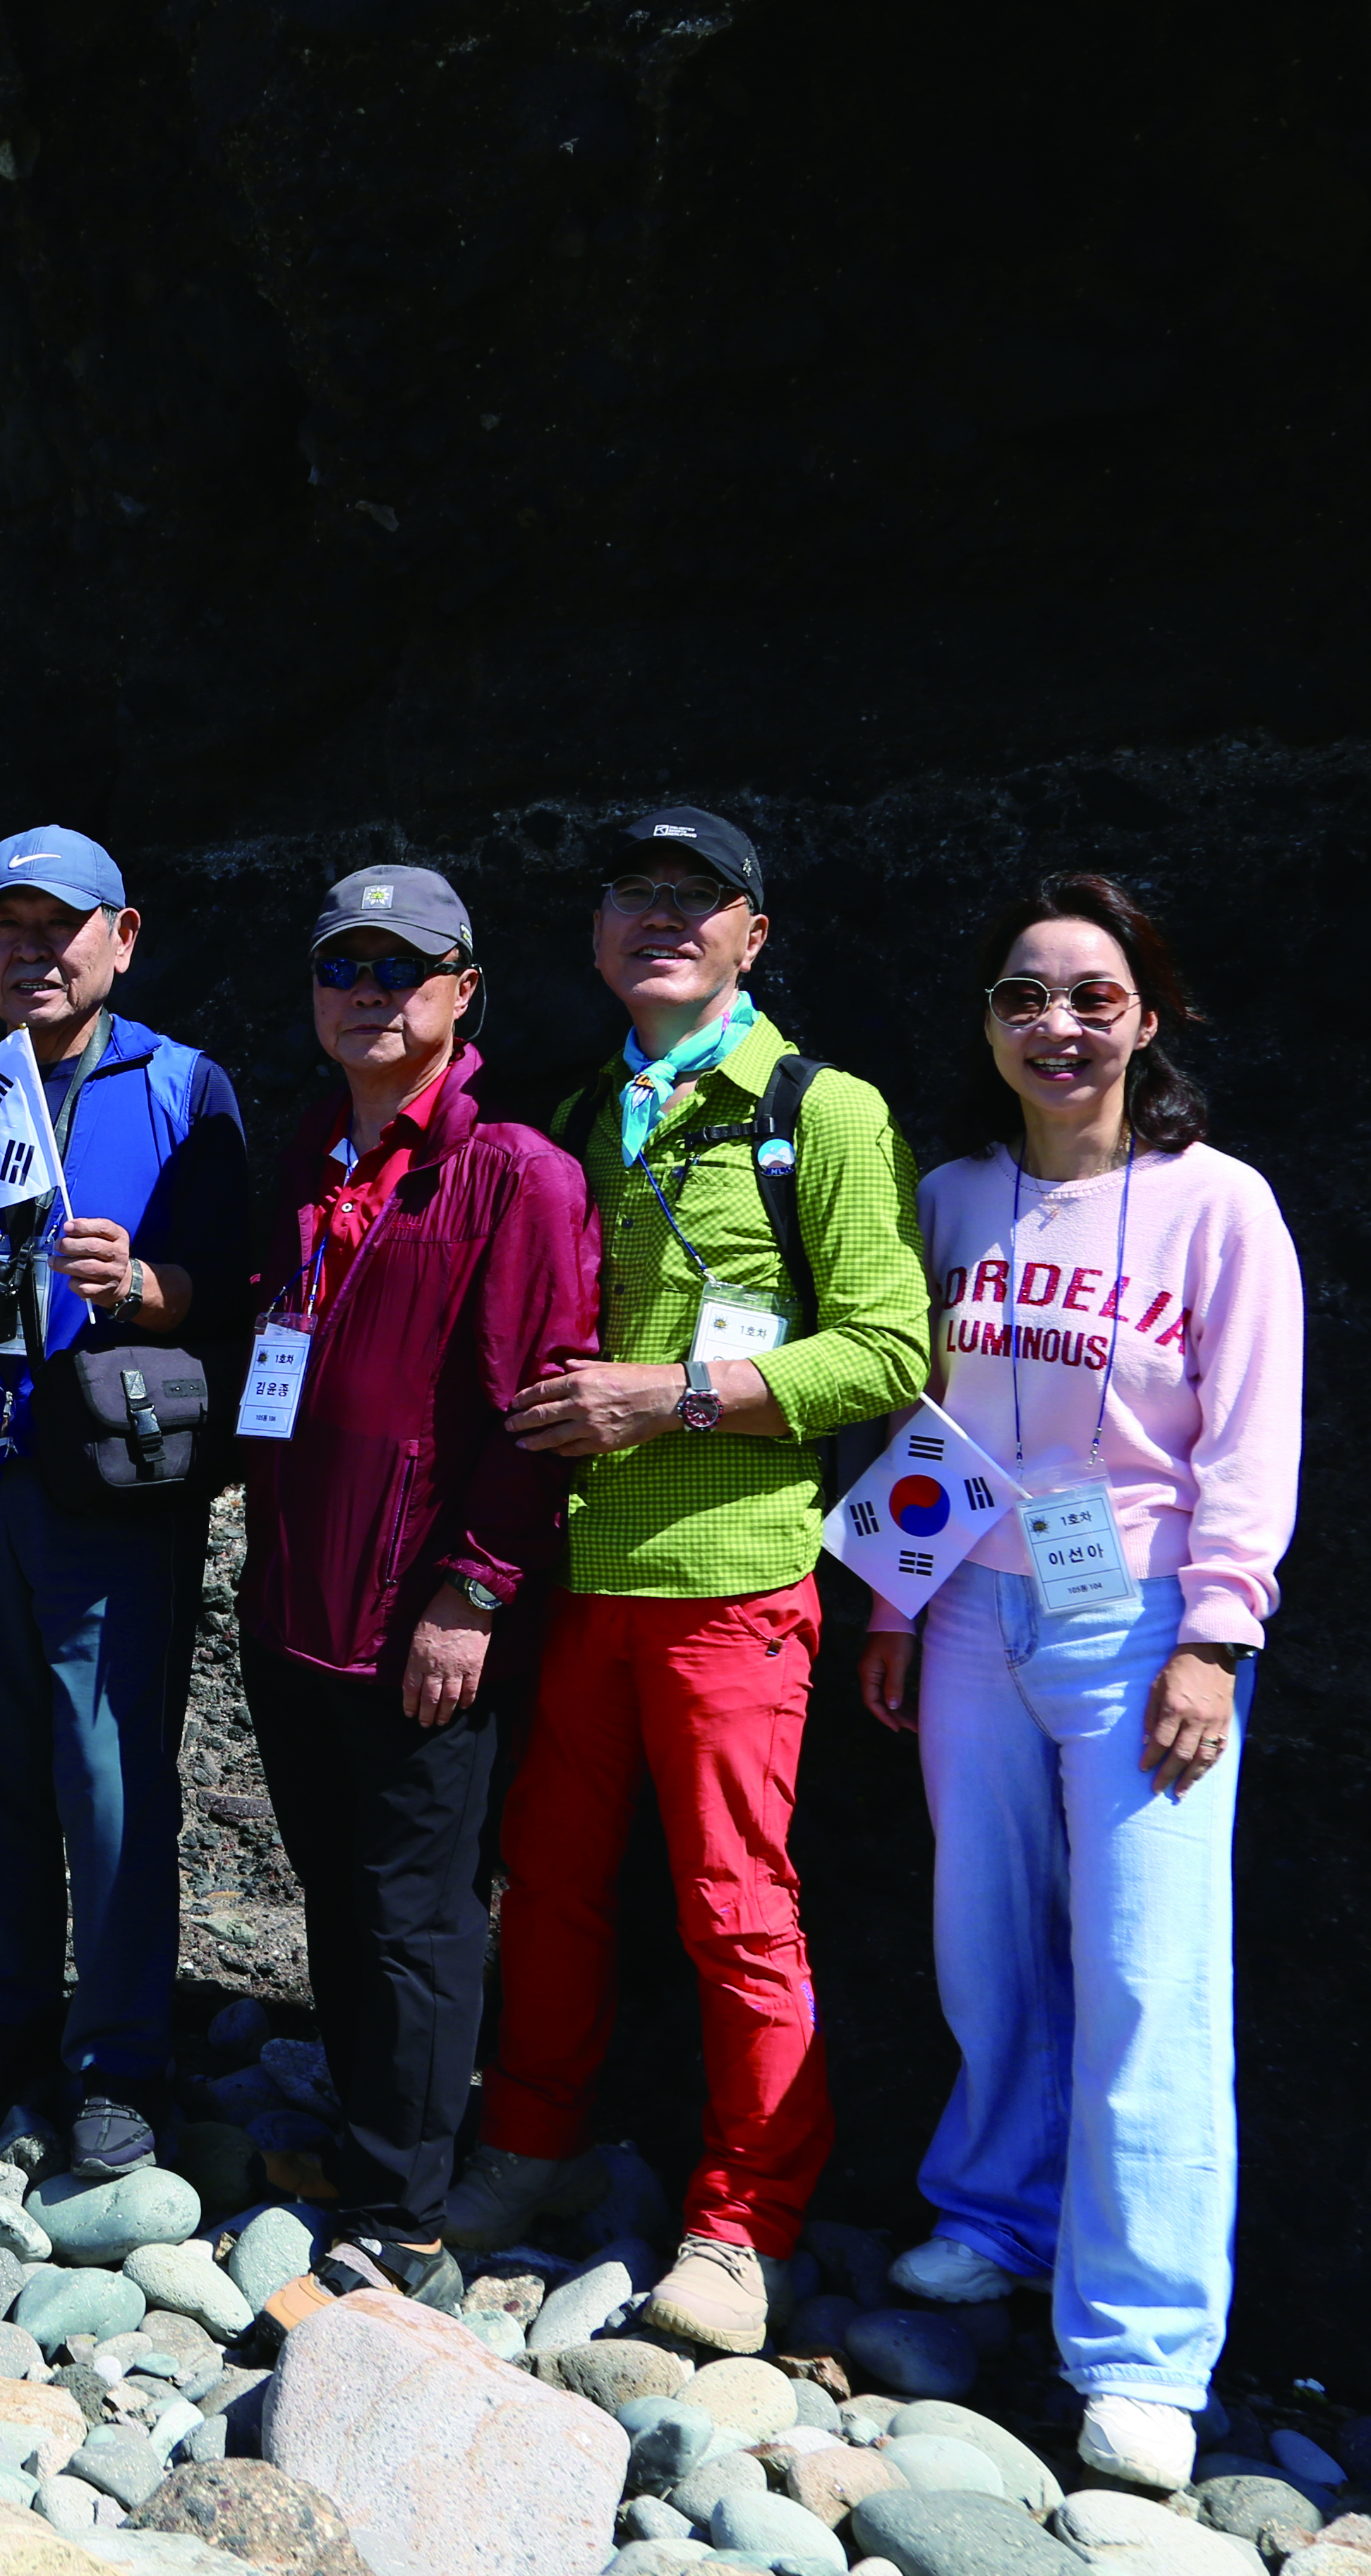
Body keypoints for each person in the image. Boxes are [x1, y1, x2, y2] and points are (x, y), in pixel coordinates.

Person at [459, 806, 926, 2354]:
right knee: (549, 1885)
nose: (665, 917)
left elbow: (888, 1347)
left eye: (700, 896)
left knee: (737, 1906)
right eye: (635, 894)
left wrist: (670, 1397)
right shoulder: (590, 1107)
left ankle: (744, 2224)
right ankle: (530, 2145)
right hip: (583, 1571)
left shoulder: (824, 1112)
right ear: (594, 936)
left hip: (736, 1578)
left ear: (754, 934)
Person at [852, 876, 1297, 2491]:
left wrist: (1213, 1633)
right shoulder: (954, 1195)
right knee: (980, 1940)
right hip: (972, 1609)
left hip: (1139, 1635)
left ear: (1145, 1017)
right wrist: (895, 1599)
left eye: (1089, 997)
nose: (1055, 1025)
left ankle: (1139, 2352)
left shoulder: (1213, 1205)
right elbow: (927, 1414)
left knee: (1143, 1978)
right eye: (1022, 996)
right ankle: (993, 2209)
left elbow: (1251, 1433)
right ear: (982, 1023)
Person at [237, 868, 597, 2304]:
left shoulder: (515, 1172)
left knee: (419, 1909)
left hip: (418, 1619)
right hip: (292, 1605)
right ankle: (363, 2132)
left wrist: (477, 1591)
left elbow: (536, 1407)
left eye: (402, 970)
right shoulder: (318, 1148)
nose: (370, 995)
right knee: (337, 1889)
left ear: (462, 990)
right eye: (345, 969)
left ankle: (409, 2209)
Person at [0, 827, 248, 2177]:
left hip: (116, 1478)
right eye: (9, 929)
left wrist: (146, 1287)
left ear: (124, 935)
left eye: (62, 927)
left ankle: (124, 2054)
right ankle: (14, 2011)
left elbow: (240, 1287)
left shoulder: (186, 1088)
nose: (36, 952)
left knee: (108, 1775)